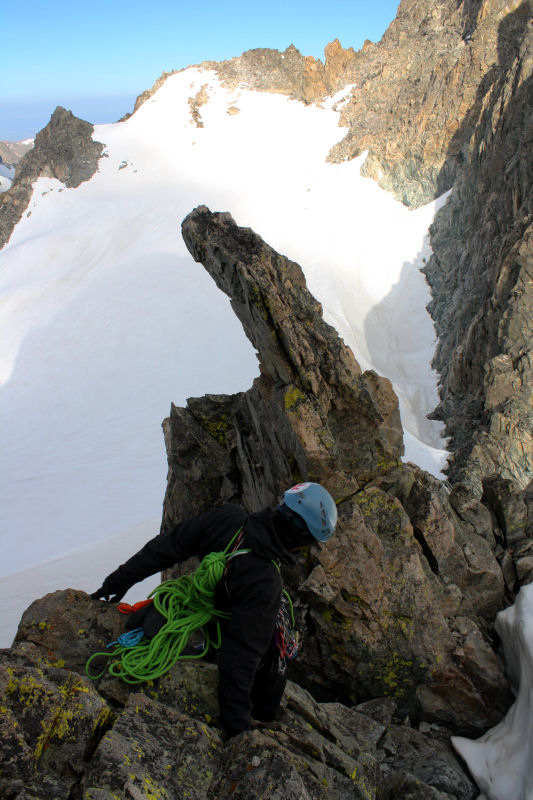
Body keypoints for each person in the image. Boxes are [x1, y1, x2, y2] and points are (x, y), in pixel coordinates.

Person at [92, 481, 337, 738]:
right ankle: (264, 714)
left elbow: (168, 546)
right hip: (224, 631)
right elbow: (240, 656)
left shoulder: (229, 519)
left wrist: (117, 581)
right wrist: (238, 728)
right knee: (276, 660)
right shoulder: (265, 582)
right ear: (297, 536)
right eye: (308, 542)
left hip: (207, 614)